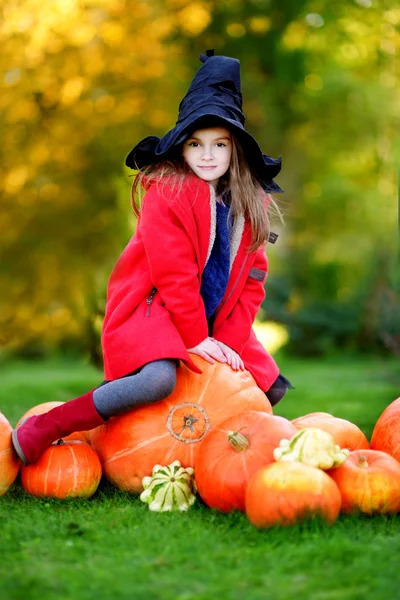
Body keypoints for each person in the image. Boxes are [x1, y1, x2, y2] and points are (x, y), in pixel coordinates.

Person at [12, 50, 293, 466]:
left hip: (216, 319)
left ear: (236, 151)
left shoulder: (248, 208)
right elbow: (173, 274)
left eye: (220, 144)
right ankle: (49, 425)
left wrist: (226, 344)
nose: (208, 155)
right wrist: (198, 339)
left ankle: (219, 458)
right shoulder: (170, 192)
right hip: (156, 307)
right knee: (157, 381)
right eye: (196, 144)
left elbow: (252, 281)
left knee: (266, 387)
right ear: (181, 147)